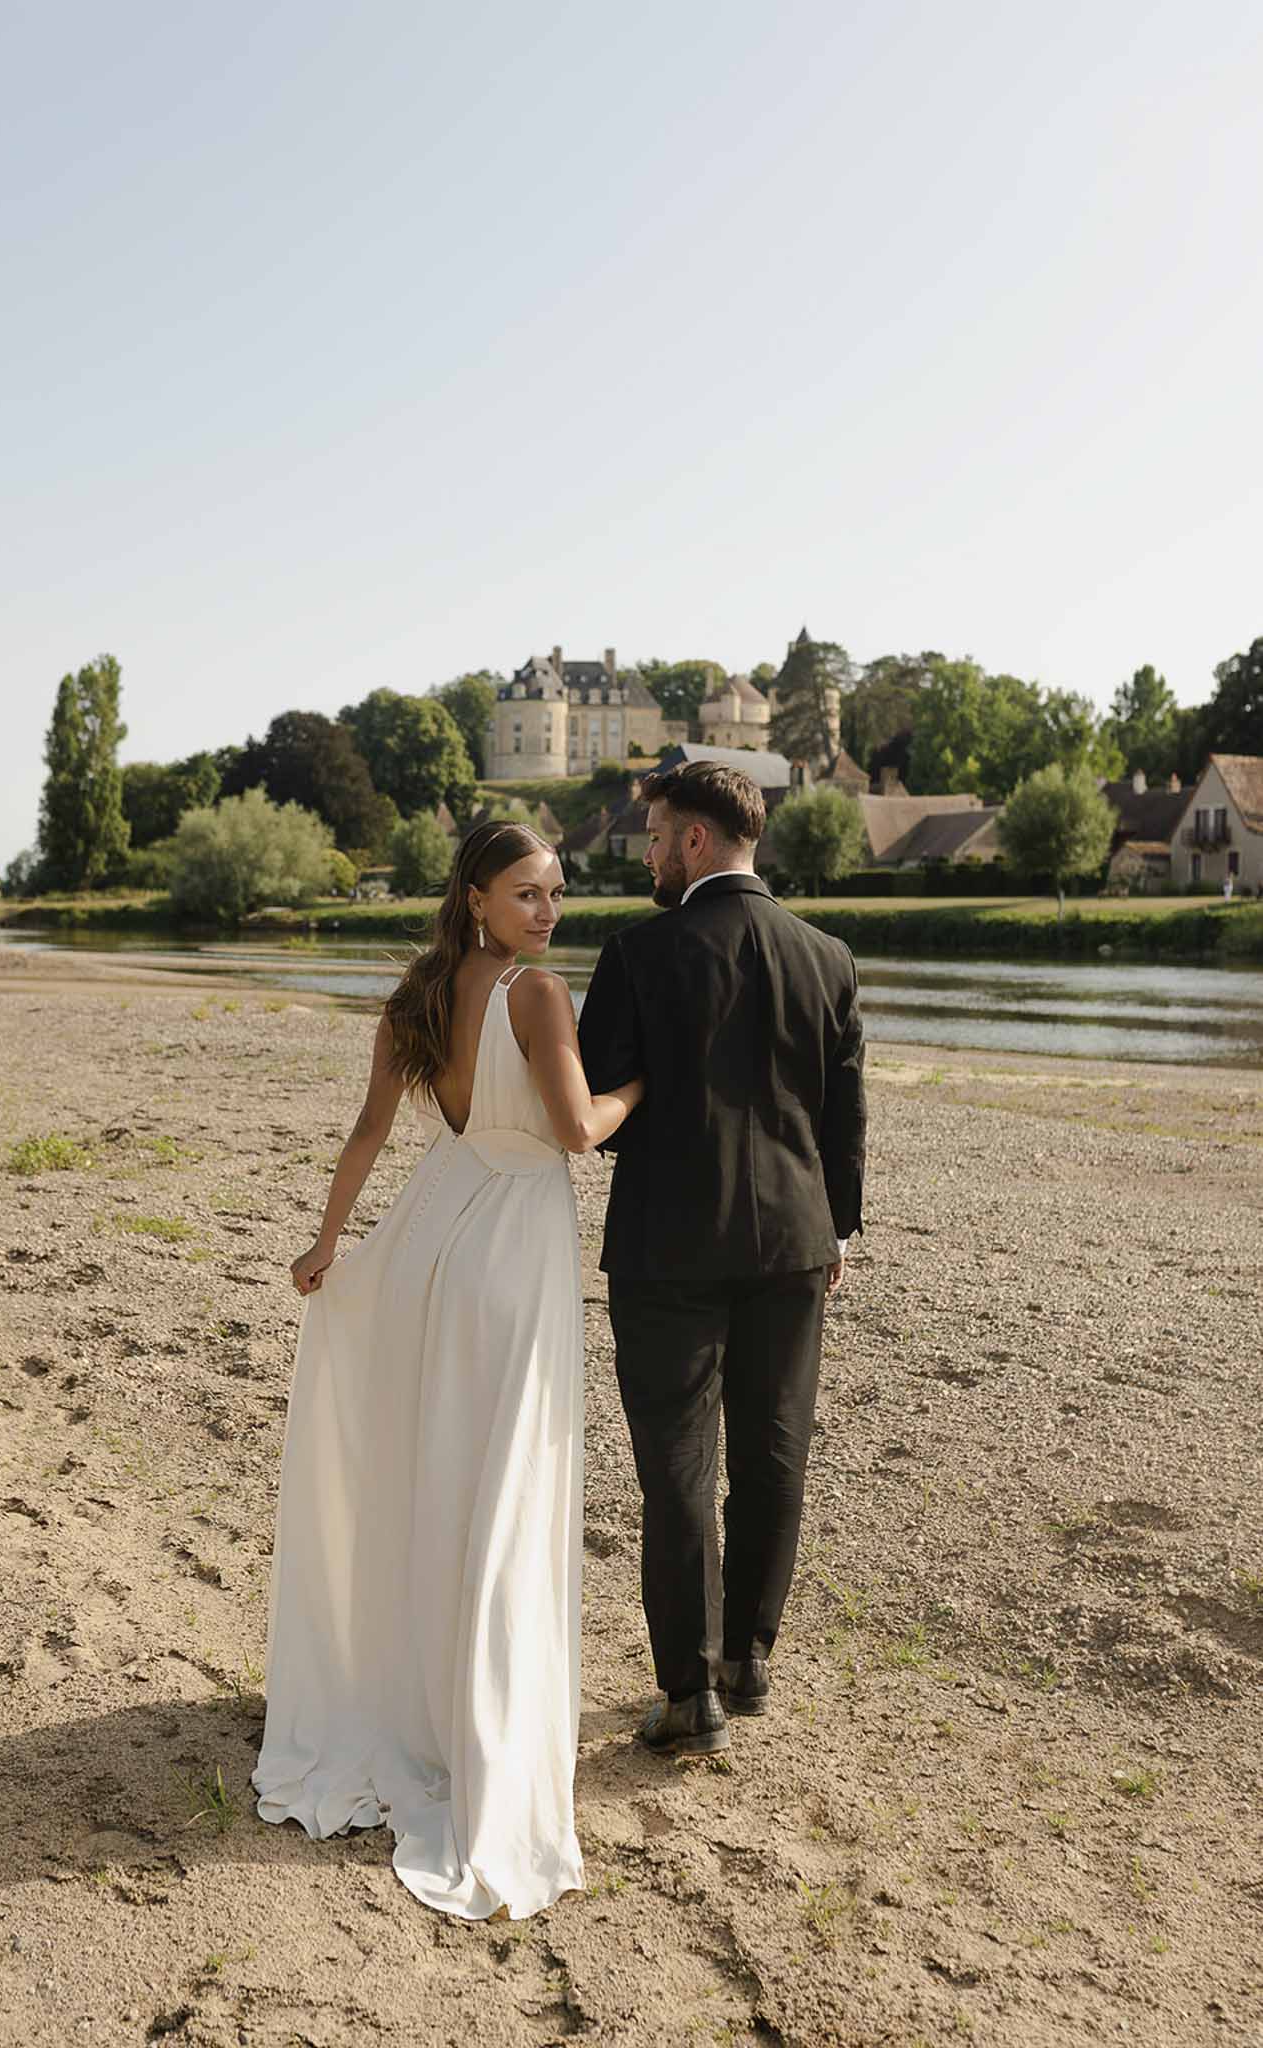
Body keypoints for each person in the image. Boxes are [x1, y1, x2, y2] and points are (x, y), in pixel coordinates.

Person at [250, 821, 644, 1920]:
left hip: (435, 1227)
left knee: (439, 1469)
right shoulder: (535, 994)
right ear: (477, 896)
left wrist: (330, 1242)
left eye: (556, 893)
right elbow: (573, 1132)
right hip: (511, 1246)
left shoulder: (420, 993)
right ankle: (476, 1725)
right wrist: (637, 1089)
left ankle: (420, 1702)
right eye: (527, 893)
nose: (546, 911)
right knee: (503, 1481)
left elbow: (373, 1129)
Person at [577, 761, 867, 1757]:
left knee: (678, 1468)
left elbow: (598, 1112)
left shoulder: (638, 951)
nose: (649, 852)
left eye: (656, 835)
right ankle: (749, 1661)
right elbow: (843, 1114)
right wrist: (840, 1226)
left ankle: (686, 1691)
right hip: (793, 1240)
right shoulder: (826, 956)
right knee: (775, 1450)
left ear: (696, 840)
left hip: (667, 1247)